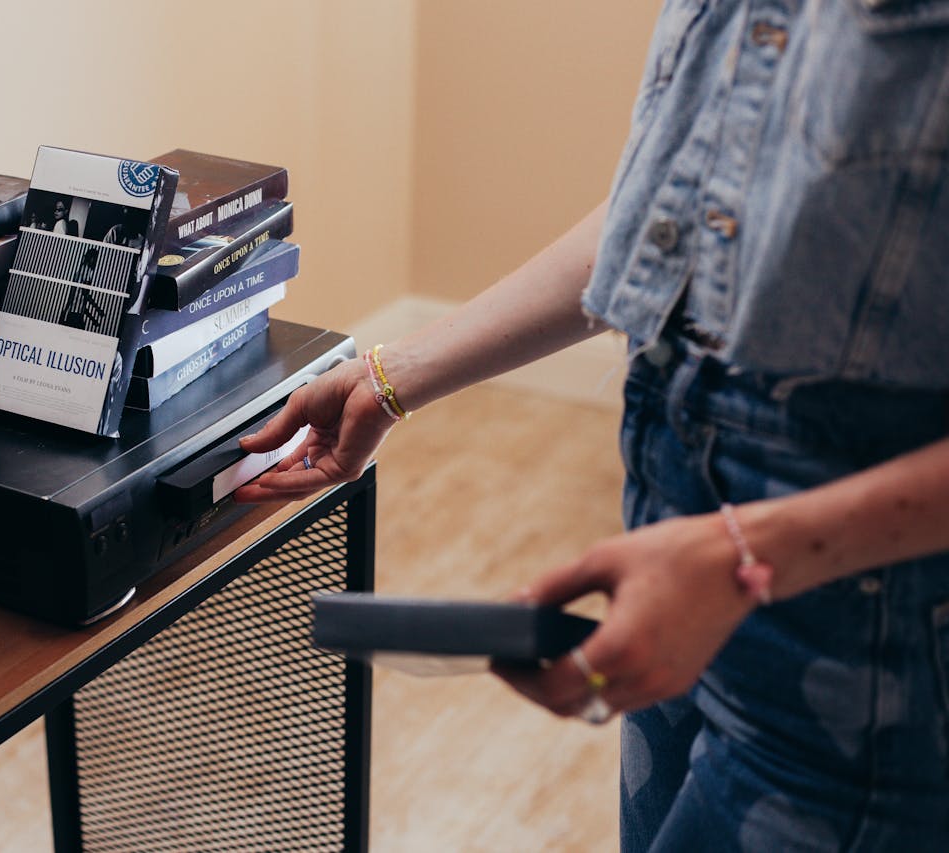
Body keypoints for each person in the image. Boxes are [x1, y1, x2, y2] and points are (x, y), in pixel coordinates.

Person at [235, 5, 949, 850]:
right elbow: (662, 211)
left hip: (863, 633)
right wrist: (393, 379)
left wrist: (741, 555)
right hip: (676, 537)